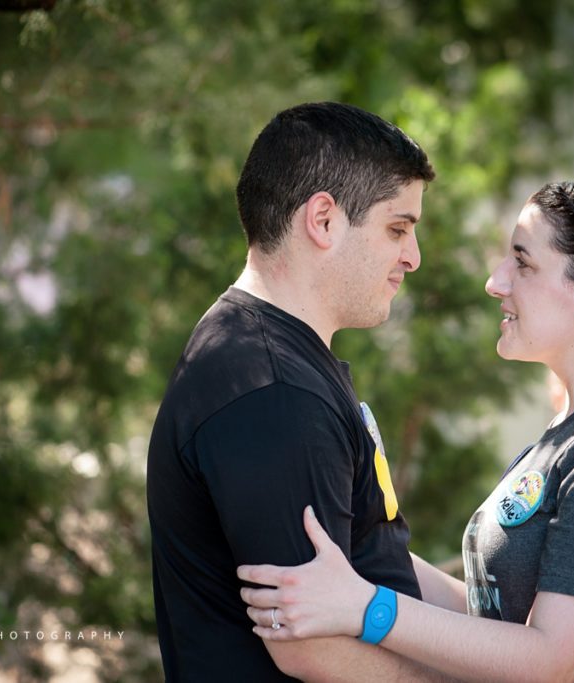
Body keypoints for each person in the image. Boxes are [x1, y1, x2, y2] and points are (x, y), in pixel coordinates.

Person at [238, 181, 574, 682]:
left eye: (523, 263)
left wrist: (367, 608)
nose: (496, 282)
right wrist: (358, 555)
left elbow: (547, 661)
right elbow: (490, 617)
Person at [147, 102, 450, 681]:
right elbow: (309, 648)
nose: (412, 257)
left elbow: (363, 548)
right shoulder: (274, 390)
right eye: (397, 229)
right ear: (324, 220)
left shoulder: (276, 361)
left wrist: (509, 633)